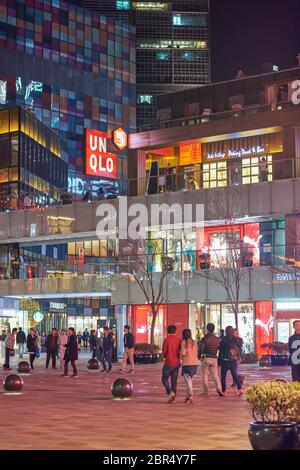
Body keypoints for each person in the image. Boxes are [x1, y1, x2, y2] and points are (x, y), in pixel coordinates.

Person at [200, 323, 224, 397]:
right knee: (215, 375)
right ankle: (219, 388)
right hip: (214, 357)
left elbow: (202, 348)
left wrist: (199, 355)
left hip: (206, 357)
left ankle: (205, 391)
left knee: (205, 375)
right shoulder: (217, 339)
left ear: (207, 329)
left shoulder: (205, 338)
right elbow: (219, 348)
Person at [219, 326, 244, 396]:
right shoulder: (236, 339)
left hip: (225, 360)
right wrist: (241, 356)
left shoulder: (224, 340)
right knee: (235, 375)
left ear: (226, 332)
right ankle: (240, 389)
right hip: (233, 360)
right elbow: (239, 348)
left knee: (223, 376)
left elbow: (221, 350)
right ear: (233, 331)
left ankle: (224, 391)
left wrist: (219, 360)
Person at [161, 325, 181, 403]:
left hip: (169, 362)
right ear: (175, 331)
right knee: (174, 380)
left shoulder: (166, 340)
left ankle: (170, 392)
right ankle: (173, 395)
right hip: (177, 362)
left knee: (164, 379)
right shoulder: (178, 340)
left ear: (167, 331)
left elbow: (164, 352)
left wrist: (165, 356)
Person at [180, 329, 199, 403]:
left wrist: (183, 351)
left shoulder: (183, 342)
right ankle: (188, 396)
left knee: (188, 381)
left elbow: (183, 353)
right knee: (190, 380)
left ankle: (190, 395)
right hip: (194, 363)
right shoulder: (194, 342)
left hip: (187, 363)